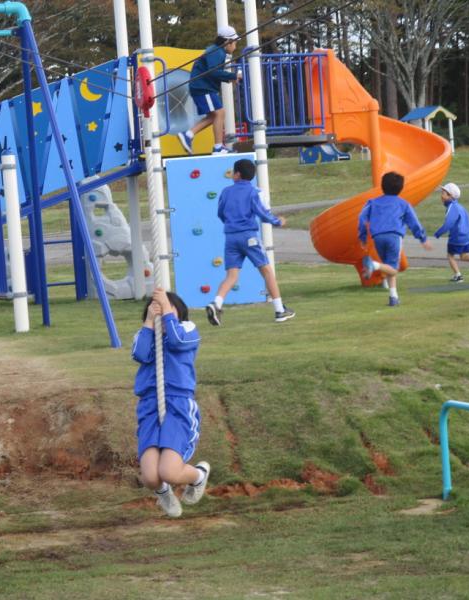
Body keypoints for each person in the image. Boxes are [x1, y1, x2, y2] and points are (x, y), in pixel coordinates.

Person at [132, 288, 210, 518]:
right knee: (151, 478)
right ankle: (163, 492)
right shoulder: (146, 334)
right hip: (150, 406)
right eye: (156, 308)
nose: (162, 312)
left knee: (169, 471)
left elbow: (176, 341)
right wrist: (149, 321)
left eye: (168, 307)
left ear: (179, 311)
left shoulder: (187, 329)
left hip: (178, 406)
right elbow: (140, 354)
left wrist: (166, 309)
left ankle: (198, 476)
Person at [205, 159, 295, 325]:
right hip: (249, 236)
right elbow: (262, 213)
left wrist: (231, 224)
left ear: (237, 174)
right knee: (267, 271)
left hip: (230, 237)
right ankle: (279, 310)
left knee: (231, 276)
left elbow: (220, 213)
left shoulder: (225, 192)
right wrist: (277, 221)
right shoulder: (254, 192)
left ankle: (216, 303)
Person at [358, 171, 432, 307]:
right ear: (400, 188)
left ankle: (393, 297)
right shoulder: (403, 204)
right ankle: (374, 265)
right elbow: (414, 223)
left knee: (388, 266)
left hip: (377, 237)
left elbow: (362, 218)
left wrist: (362, 236)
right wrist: (422, 238)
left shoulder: (372, 202)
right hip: (394, 236)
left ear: (382, 186)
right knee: (393, 268)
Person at [178, 26, 243, 155]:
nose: (235, 46)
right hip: (203, 87)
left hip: (201, 86)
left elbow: (213, 72)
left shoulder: (216, 51)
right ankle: (218, 147)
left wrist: (229, 78)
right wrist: (233, 76)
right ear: (227, 42)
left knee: (213, 116)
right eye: (235, 42)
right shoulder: (217, 52)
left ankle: (188, 135)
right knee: (220, 113)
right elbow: (213, 71)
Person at [433, 183, 469, 282]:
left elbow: (448, 224)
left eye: (443, 193)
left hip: (456, 237)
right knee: (463, 256)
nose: (441, 196)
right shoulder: (460, 207)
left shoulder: (452, 207)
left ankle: (458, 276)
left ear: (450, 196)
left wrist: (438, 233)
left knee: (450, 255)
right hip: (466, 236)